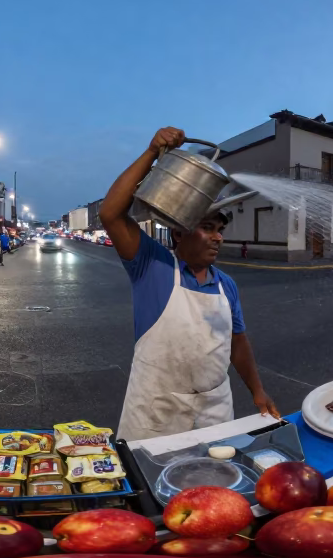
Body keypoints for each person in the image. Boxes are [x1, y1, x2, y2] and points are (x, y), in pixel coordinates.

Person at [100, 127, 279, 441]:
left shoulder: (226, 286)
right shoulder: (152, 266)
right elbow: (111, 214)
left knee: (212, 487)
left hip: (215, 413)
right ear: (179, 233)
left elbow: (237, 343)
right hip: (156, 412)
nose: (218, 236)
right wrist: (151, 152)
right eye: (207, 227)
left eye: (220, 229)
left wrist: (258, 392)